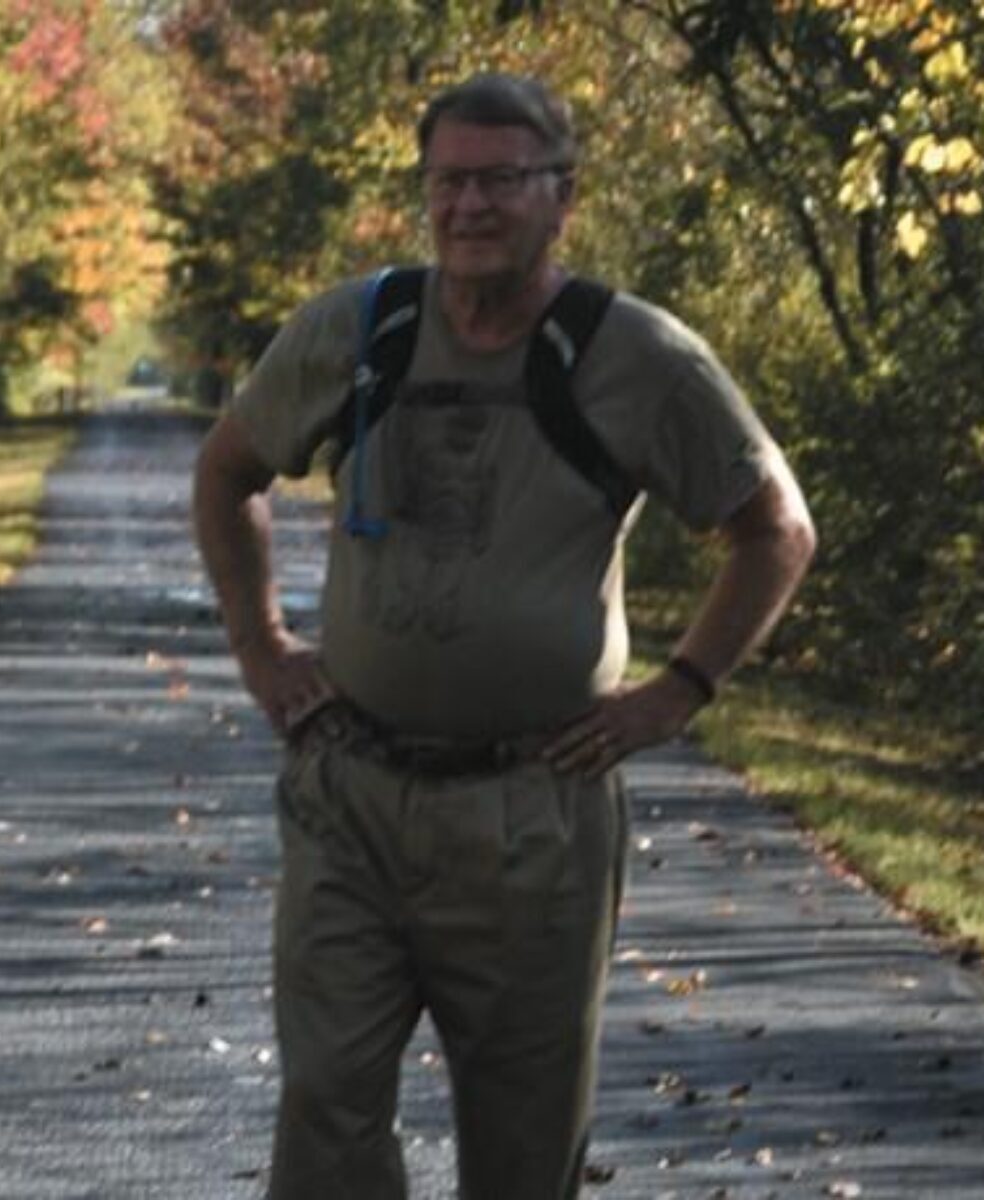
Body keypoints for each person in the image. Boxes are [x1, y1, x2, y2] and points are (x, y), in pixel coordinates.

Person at [192, 72, 816, 1199]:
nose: (469, 206)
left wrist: (680, 688)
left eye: (499, 181)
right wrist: (264, 648)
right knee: (325, 1114)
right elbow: (228, 471)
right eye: (448, 181)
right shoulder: (359, 328)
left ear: (561, 197)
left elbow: (776, 529)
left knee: (525, 1149)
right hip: (352, 798)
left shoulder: (636, 355)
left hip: (535, 815)